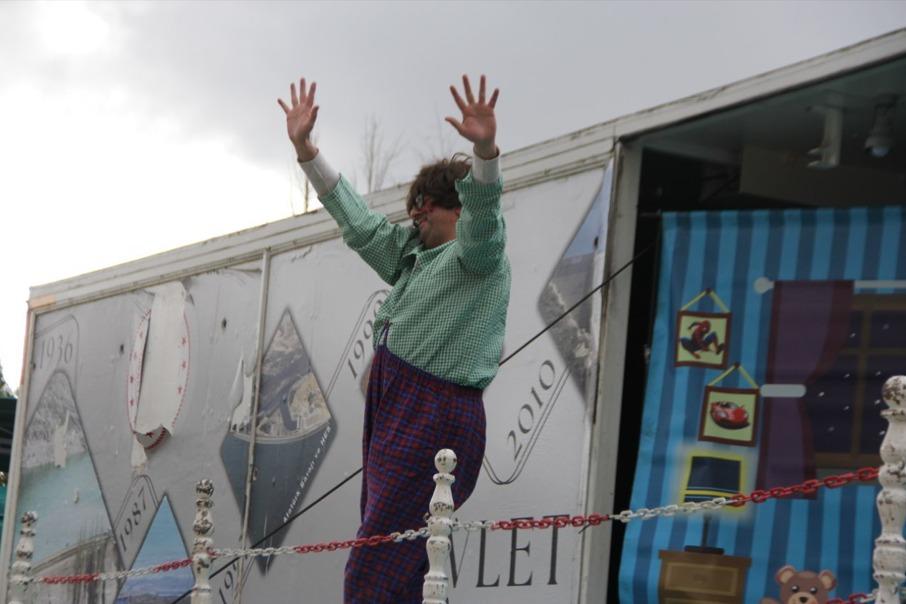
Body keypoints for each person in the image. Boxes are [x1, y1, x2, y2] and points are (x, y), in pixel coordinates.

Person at [278, 74, 511, 603]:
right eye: (413, 207)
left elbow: (484, 213)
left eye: (426, 206)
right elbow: (361, 225)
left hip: (434, 411)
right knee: (395, 551)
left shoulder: (477, 255)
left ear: (456, 208)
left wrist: (484, 153)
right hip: (396, 405)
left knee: (376, 563)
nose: (415, 215)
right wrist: (307, 153)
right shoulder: (412, 257)